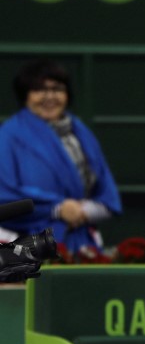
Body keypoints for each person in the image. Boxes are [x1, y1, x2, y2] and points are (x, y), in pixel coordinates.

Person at [0, 59, 122, 253]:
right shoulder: (7, 136)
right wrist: (56, 209)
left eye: (57, 89)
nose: (50, 96)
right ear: (25, 95)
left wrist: (80, 212)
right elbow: (4, 198)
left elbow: (107, 197)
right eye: (40, 89)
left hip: (82, 245)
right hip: (22, 250)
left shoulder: (81, 133)